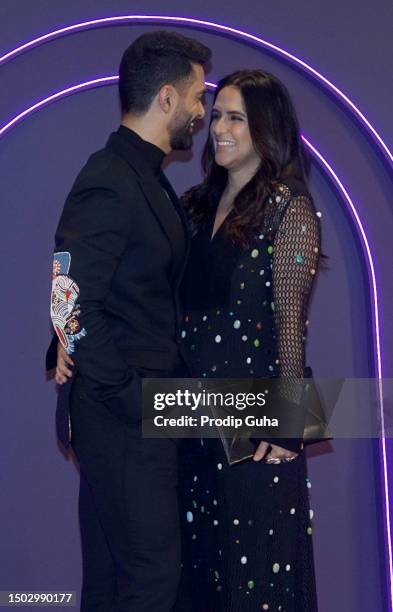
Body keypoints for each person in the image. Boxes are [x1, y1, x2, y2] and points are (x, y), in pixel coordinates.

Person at [47, 31, 211, 612]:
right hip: (124, 417)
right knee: (149, 581)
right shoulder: (110, 177)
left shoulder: (148, 178)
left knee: (122, 583)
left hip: (143, 409)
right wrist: (128, 397)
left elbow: (100, 293)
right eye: (197, 96)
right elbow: (68, 296)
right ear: (166, 98)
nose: (201, 111)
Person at [175, 70, 320, 611]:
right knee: (198, 577)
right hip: (190, 424)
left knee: (255, 578)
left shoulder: (289, 209)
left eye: (235, 117)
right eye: (215, 115)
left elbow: (290, 327)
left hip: (257, 433)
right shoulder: (192, 205)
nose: (219, 128)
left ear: (266, 127)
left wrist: (289, 424)